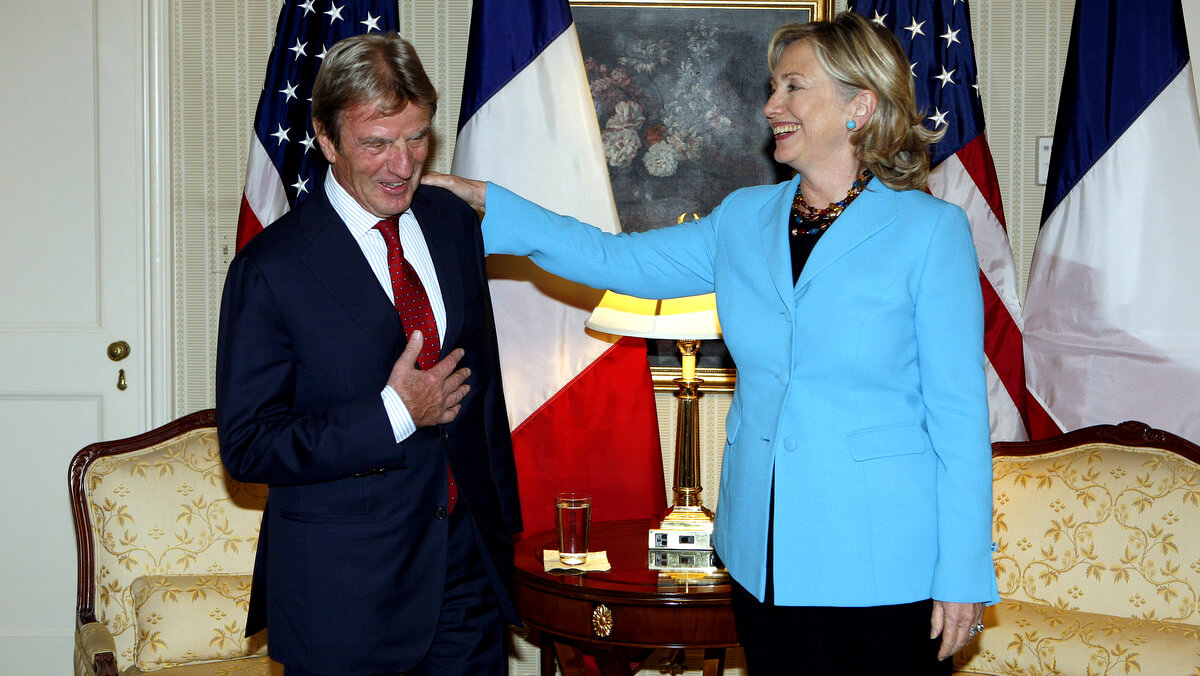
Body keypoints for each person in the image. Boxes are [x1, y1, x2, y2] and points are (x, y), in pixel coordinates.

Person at [423, 11, 998, 674]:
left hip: (884, 564)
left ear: (858, 106)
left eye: (792, 88)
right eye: (773, 88)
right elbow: (617, 261)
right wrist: (487, 202)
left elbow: (959, 417)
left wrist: (963, 570)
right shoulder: (745, 220)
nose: (770, 105)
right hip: (763, 560)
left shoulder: (930, 232)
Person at [215, 33, 521, 676]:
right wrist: (395, 413)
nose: (402, 165)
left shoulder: (452, 222)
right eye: (376, 143)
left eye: (416, 138)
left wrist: (503, 538)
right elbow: (248, 445)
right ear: (327, 141)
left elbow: (483, 390)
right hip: (344, 598)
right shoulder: (271, 268)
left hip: (467, 578)